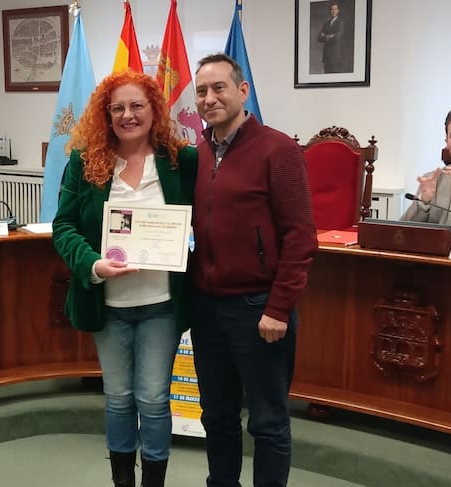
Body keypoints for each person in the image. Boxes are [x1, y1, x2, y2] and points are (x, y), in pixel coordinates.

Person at [51, 69, 197, 487]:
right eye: (117, 108)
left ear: (154, 110)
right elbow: (64, 227)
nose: (127, 115)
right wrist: (92, 264)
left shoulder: (181, 161)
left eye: (137, 106)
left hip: (161, 305)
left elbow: (208, 217)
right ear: (106, 114)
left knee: (152, 399)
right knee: (117, 399)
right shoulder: (85, 162)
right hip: (109, 304)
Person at [191, 53, 318, 487]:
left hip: (260, 309)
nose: (209, 99)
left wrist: (279, 308)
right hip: (207, 310)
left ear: (243, 91)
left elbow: (301, 236)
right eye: (201, 91)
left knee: (268, 421)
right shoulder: (198, 154)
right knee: (217, 415)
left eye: (219, 88)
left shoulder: (278, 149)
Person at [401, 105, 451, 240]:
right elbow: (403, 233)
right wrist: (423, 203)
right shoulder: (433, 179)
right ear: (447, 142)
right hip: (434, 252)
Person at [317, 1, 344, 73]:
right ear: (329, 11)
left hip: (336, 56)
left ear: (338, 10)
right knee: (326, 75)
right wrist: (330, 36)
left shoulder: (341, 22)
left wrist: (325, 36)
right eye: (332, 9)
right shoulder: (326, 24)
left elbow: (338, 36)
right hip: (326, 56)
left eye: (335, 9)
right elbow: (319, 38)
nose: (333, 11)